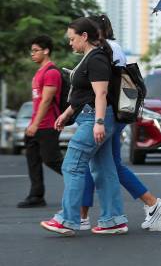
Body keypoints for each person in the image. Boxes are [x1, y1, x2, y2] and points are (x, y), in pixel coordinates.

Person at [79, 15, 161, 231]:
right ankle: (153, 205)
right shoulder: (112, 47)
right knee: (107, 165)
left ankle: (81, 216)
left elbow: (104, 86)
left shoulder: (105, 50)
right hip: (114, 112)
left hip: (108, 113)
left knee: (90, 162)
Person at [40, 17, 127, 236]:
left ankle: (68, 219)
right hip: (92, 115)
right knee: (104, 169)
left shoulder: (96, 58)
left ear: (84, 36)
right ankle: (113, 220)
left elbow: (100, 94)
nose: (70, 43)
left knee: (72, 165)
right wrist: (67, 113)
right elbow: (84, 94)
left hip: (95, 119)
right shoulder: (90, 57)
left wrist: (98, 123)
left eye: (72, 39)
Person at [18, 36, 64, 208]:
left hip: (47, 125)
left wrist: (35, 124)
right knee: (33, 160)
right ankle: (36, 196)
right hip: (36, 124)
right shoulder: (39, 72)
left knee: (51, 160)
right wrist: (32, 124)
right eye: (32, 50)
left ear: (46, 51)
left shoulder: (51, 72)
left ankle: (81, 182)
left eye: (36, 50)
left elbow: (46, 101)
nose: (32, 54)